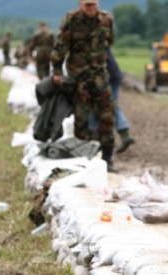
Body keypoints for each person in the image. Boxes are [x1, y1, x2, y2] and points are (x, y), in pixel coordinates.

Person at [50, 0, 117, 172]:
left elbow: (110, 40)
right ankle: (82, 159)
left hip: (100, 77)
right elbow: (60, 47)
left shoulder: (106, 20)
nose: (91, 8)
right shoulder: (71, 20)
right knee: (81, 119)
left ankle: (108, 159)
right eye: (87, 5)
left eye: (93, 4)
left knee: (107, 117)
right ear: (80, 5)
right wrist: (57, 71)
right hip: (79, 79)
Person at [88, 48, 135, 154]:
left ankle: (94, 138)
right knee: (113, 105)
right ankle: (124, 133)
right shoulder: (101, 36)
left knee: (94, 104)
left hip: (105, 77)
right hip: (113, 74)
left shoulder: (91, 40)